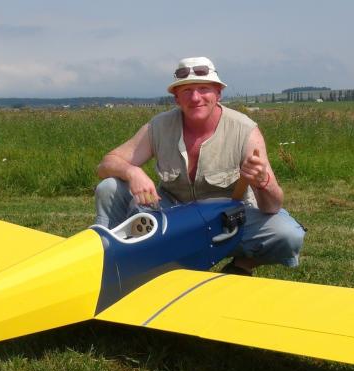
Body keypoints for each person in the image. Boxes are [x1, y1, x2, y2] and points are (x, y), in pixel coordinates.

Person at [94, 56, 305, 275]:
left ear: (218, 93)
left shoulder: (245, 130)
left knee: (288, 234)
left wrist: (263, 182)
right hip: (171, 215)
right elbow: (106, 164)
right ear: (176, 98)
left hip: (228, 219)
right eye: (187, 90)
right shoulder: (158, 126)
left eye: (204, 89)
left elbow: (272, 206)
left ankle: (242, 265)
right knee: (109, 187)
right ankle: (111, 260)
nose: (195, 98)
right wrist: (132, 171)